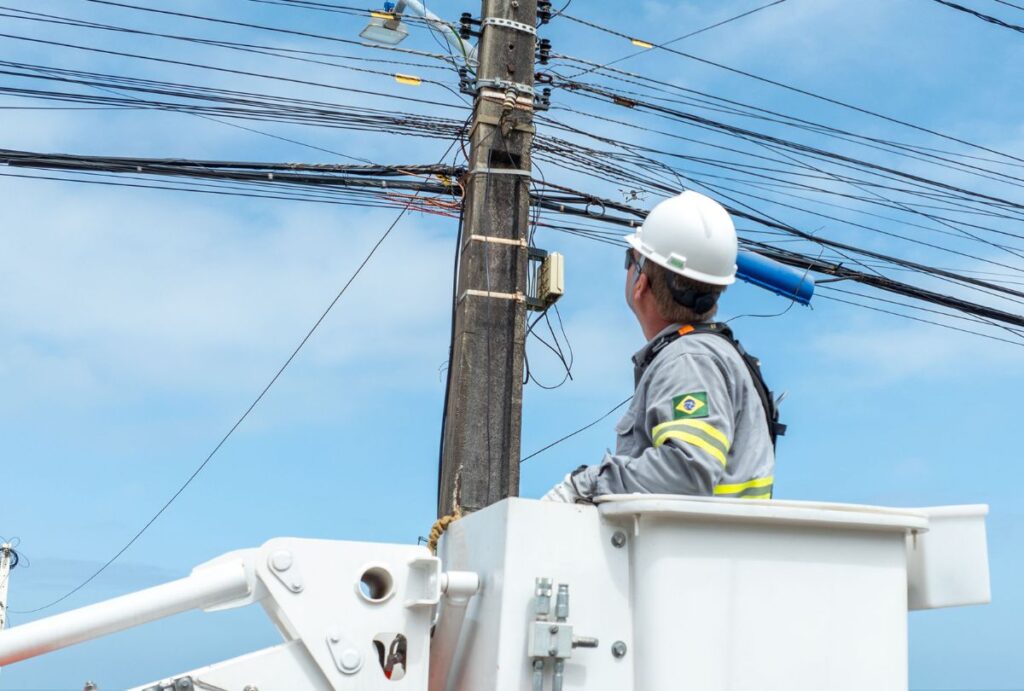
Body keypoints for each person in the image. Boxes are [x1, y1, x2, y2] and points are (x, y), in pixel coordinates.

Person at [543, 191, 779, 503]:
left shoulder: (689, 360)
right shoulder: (705, 355)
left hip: (695, 549)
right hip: (715, 547)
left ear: (641, 282)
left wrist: (583, 485)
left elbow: (688, 472)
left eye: (632, 259)